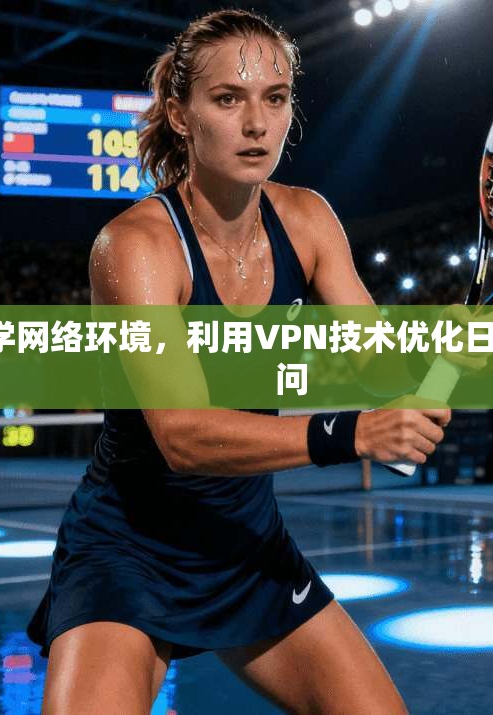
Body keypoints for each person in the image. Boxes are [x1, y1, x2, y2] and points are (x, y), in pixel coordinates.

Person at [28, 10, 452, 713]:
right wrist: (352, 433)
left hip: (245, 538)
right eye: (228, 98)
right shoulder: (135, 246)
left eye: (275, 98)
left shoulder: (308, 220)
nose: (257, 123)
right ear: (181, 115)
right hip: (130, 548)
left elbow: (384, 370)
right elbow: (183, 436)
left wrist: (442, 359)